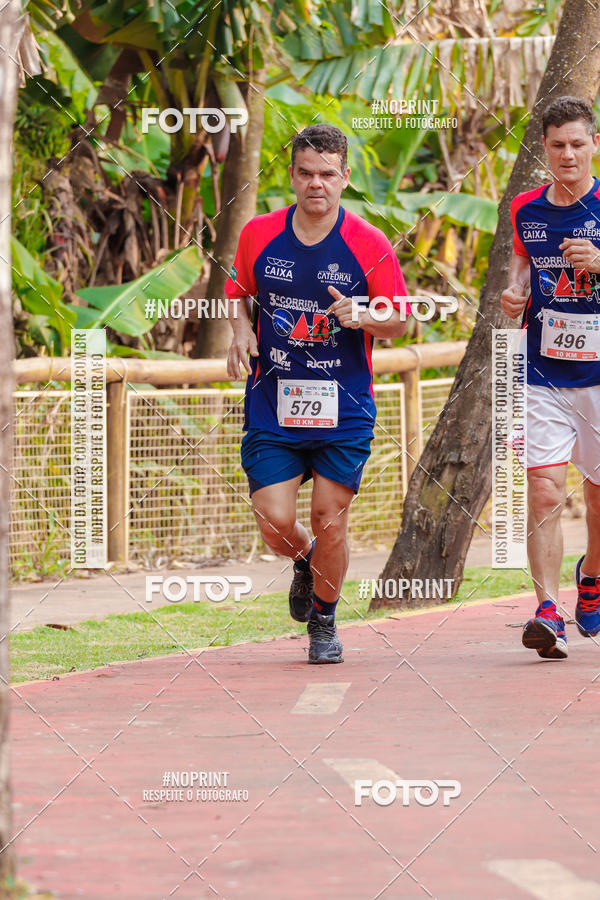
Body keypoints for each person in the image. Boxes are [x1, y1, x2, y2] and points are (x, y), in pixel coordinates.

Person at [224, 123, 408, 663]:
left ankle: (324, 623)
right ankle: (305, 559)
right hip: (273, 401)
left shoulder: (369, 242)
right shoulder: (258, 233)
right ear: (292, 176)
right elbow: (238, 293)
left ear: (345, 178)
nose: (316, 184)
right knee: (273, 520)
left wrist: (365, 315)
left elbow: (399, 321)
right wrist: (239, 331)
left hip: (344, 405)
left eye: (328, 174)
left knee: (331, 515)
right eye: (306, 173)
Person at [501, 96, 600, 660]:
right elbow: (520, 271)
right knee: (543, 490)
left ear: (593, 145)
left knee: (599, 493)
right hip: (541, 373)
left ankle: (593, 575)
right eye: (557, 144)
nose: (568, 154)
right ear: (545, 147)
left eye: (578, 143)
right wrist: (514, 296)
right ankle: (546, 611)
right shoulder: (526, 209)